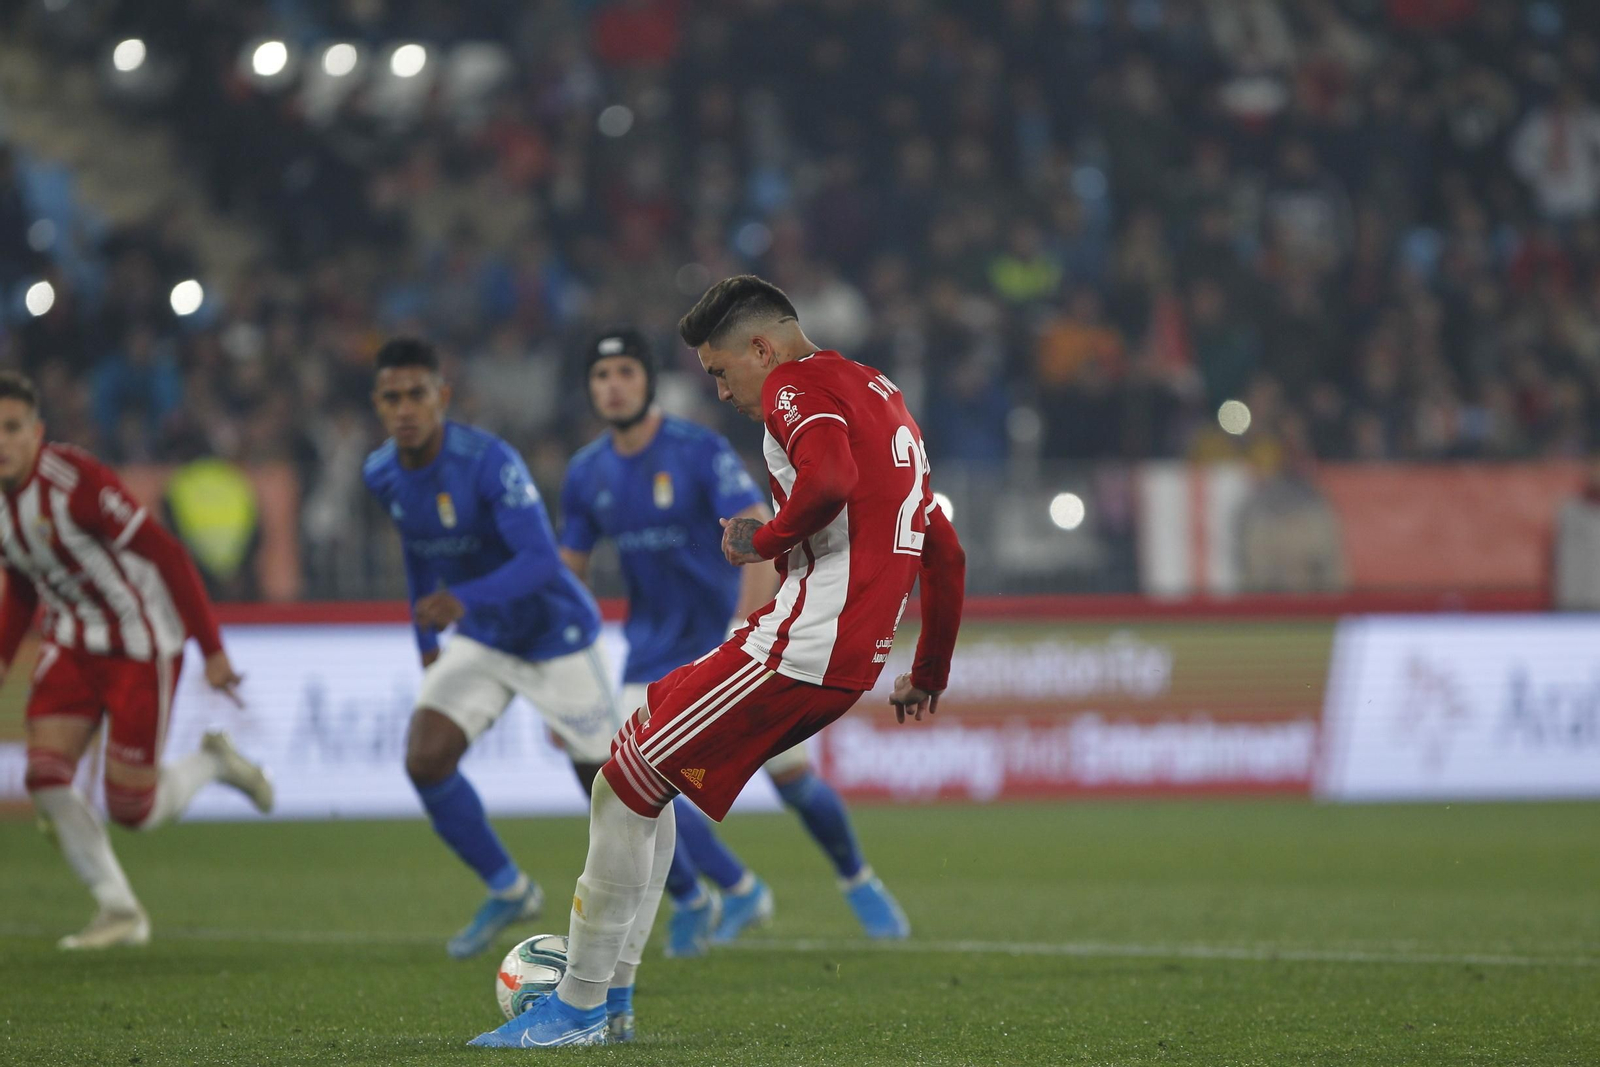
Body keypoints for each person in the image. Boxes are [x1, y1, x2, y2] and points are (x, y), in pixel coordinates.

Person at [471, 275, 965, 1048]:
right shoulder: (880, 392)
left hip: (802, 641)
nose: (722, 389)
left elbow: (829, 480)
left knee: (619, 781)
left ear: (762, 348)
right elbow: (945, 547)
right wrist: (929, 668)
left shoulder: (795, 387)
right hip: (842, 651)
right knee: (641, 770)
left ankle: (579, 1006)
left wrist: (759, 539)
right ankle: (614, 999)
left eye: (720, 370)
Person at [559, 328, 911, 969]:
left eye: (625, 373)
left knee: (793, 779)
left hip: (731, 645)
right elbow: (571, 574)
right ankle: (718, 894)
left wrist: (742, 624)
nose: (614, 387)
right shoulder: (586, 474)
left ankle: (860, 881)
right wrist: (562, 673)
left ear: (647, 381)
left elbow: (755, 530)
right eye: (601, 377)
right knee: (632, 778)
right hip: (647, 655)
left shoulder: (696, 449)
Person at [362, 338, 621, 960]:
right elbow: (418, 551)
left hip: (553, 634)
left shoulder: (489, 462)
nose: (405, 409)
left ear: (441, 397)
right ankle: (508, 888)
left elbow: (540, 561)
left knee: (612, 789)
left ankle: (688, 893)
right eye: (391, 397)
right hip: (483, 636)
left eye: (417, 394)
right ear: (378, 404)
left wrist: (462, 601)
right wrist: (425, 638)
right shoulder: (381, 473)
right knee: (425, 759)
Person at [2, 370, 272, 950]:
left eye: (12, 428)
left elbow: (167, 553)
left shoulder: (76, 482)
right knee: (45, 775)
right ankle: (118, 909)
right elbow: (24, 584)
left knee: (133, 808)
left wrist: (213, 650)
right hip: (72, 642)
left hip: (140, 643)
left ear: (36, 432)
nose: (2, 441)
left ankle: (213, 763)